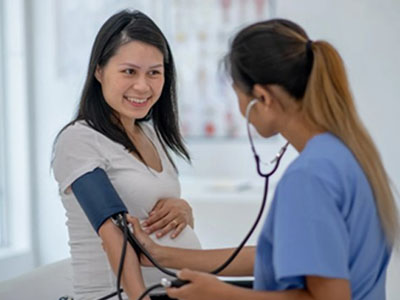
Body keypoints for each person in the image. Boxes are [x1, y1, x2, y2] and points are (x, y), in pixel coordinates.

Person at [128, 18, 399, 300]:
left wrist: (221, 295)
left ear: (262, 98)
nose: (240, 108)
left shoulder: (309, 178)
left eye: (238, 95)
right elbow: (281, 257)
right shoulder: (344, 156)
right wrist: (162, 255)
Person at [52, 9, 201, 300]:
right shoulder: (79, 140)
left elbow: (152, 220)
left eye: (154, 73)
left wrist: (186, 212)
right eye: (129, 71)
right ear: (99, 70)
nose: (143, 86)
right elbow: (113, 233)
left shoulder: (152, 135)